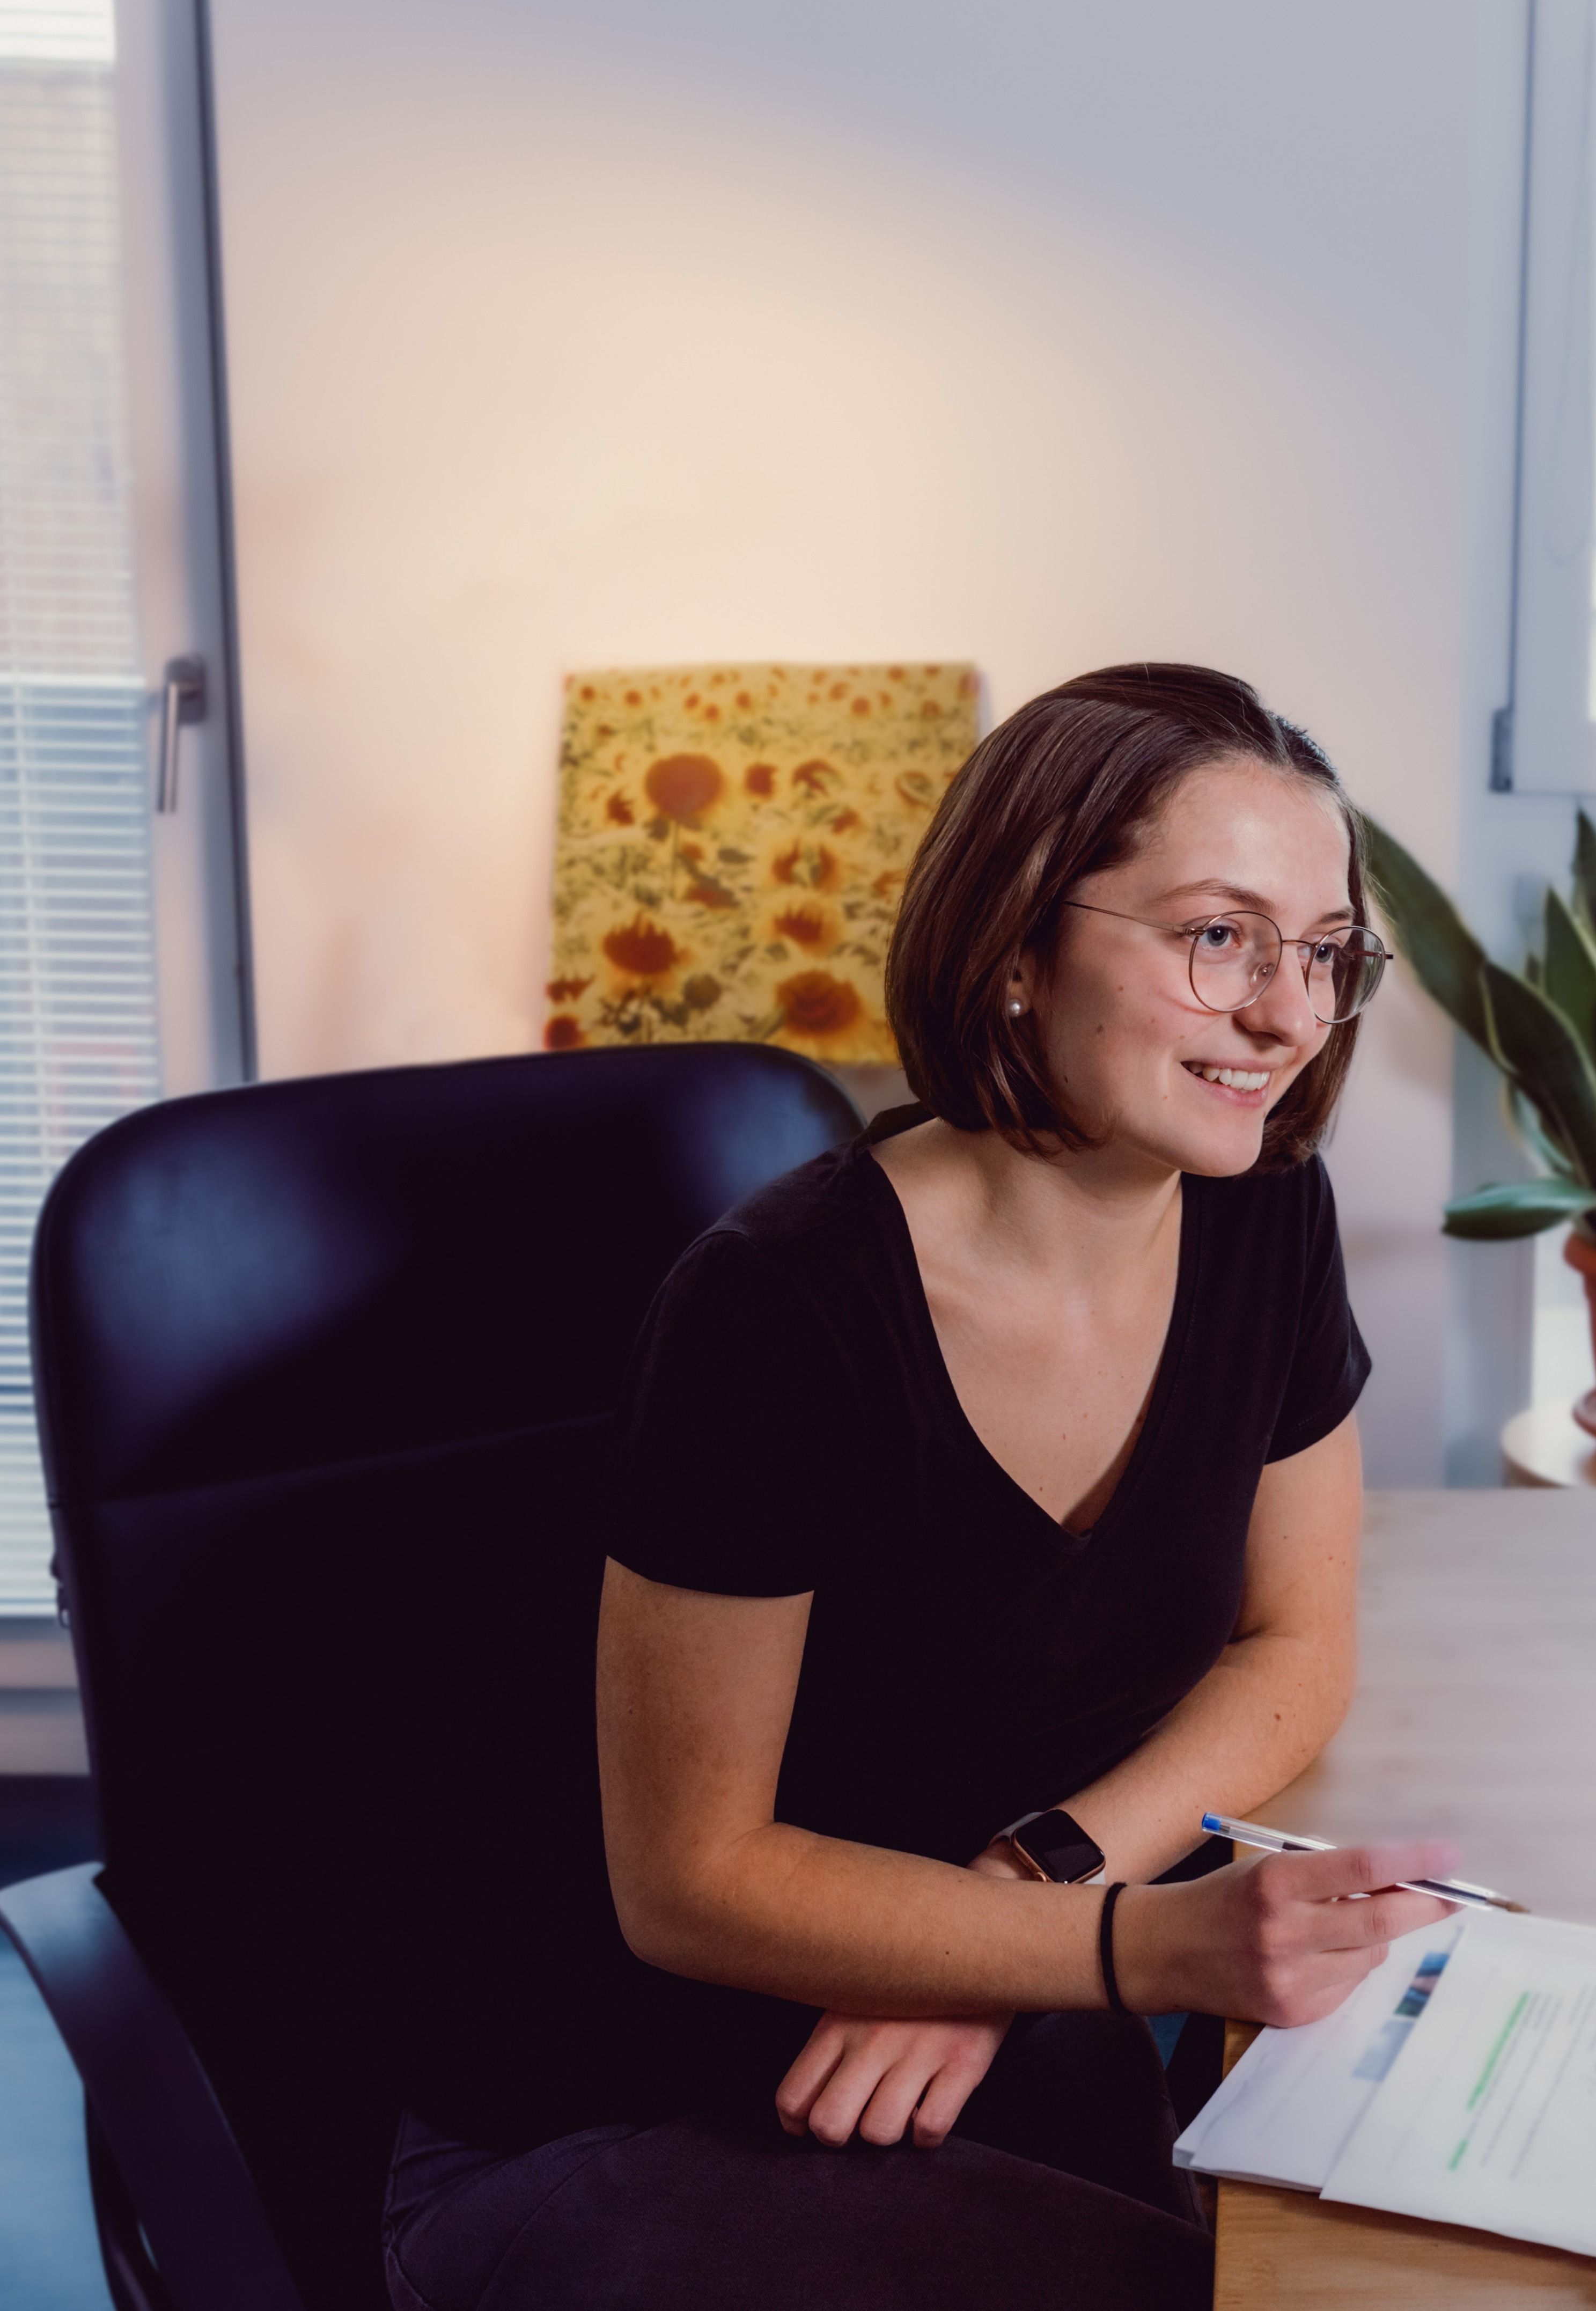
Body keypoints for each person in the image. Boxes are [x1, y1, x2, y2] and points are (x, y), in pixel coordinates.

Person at [379, 664, 1455, 2310]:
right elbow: (690, 1878)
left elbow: (1295, 1645)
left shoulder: (1257, 1218)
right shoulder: (780, 1306)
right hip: (631, 2101)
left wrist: (1032, 1893)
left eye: (1323, 955)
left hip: (989, 2029)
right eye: (1219, 937)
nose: (1289, 1018)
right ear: (1019, 944)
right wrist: (1133, 1947)